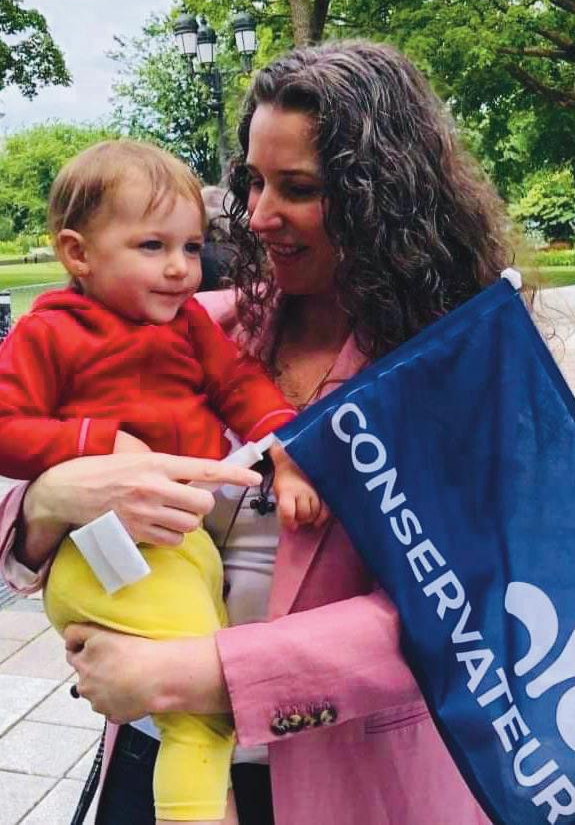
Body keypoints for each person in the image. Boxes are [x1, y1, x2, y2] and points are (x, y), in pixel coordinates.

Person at [0, 40, 511, 825]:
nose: (258, 215)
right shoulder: (196, 324)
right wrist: (52, 498)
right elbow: (27, 493)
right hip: (148, 758)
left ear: (382, 197)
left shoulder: (456, 370)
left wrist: (195, 672)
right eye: (252, 181)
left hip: (344, 785)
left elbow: (460, 611)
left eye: (297, 188)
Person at [0, 139, 323, 825]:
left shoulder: (187, 324)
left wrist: (288, 449)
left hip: (181, 551)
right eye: (153, 247)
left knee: (193, 692)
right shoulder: (48, 333)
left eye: (192, 247)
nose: (181, 268)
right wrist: (92, 449)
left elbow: (238, 384)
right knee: (200, 717)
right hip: (113, 555)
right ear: (78, 254)